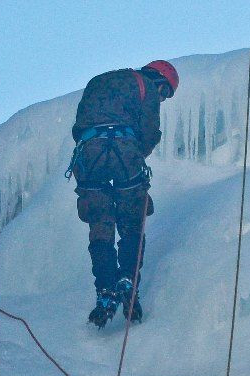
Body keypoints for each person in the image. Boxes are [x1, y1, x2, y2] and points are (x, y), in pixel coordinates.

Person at [67, 59, 180, 328]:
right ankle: (127, 280)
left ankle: (105, 289)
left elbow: (78, 127)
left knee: (100, 223)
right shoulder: (146, 86)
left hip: (89, 154)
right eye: (165, 93)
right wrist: (133, 153)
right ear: (160, 80)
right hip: (124, 151)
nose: (162, 98)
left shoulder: (98, 81)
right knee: (132, 221)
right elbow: (150, 132)